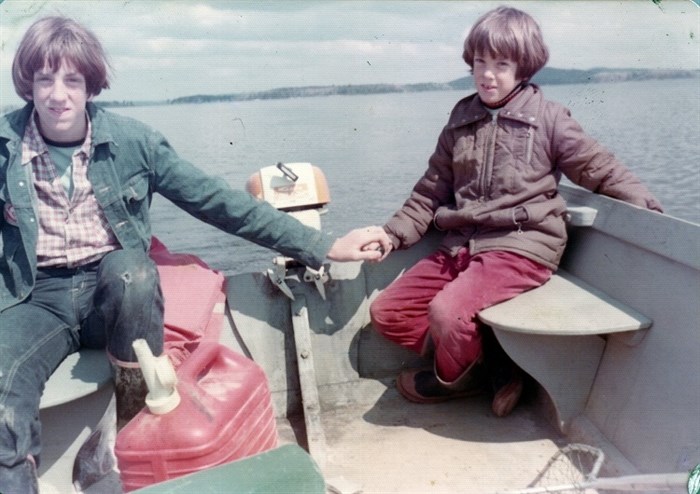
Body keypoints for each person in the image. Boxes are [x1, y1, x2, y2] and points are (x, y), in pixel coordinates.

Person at [0, 16, 391, 492]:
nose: (57, 94)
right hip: (37, 297)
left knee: (134, 274)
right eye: (44, 79)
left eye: (71, 80)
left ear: (90, 86)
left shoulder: (133, 142)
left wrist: (323, 246)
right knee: (3, 389)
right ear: (28, 84)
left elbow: (218, 202)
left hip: (114, 291)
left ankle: (126, 438)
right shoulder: (5, 146)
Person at [369, 6, 662, 417]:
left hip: (521, 247)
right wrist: (391, 234)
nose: (488, 75)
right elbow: (430, 189)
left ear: (524, 68)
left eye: (501, 64)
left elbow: (600, 169)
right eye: (480, 63)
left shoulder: (550, 119)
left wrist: (649, 211)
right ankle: (490, 365)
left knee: (447, 313)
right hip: (461, 245)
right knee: (389, 312)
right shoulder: (460, 118)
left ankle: (453, 377)